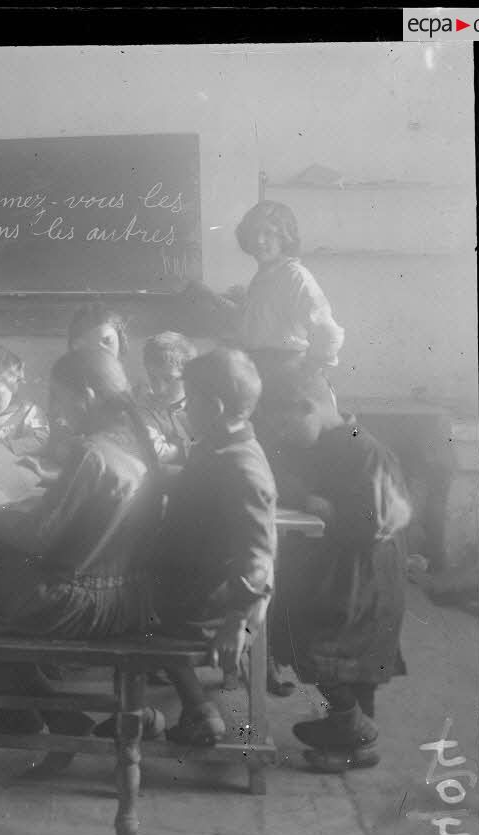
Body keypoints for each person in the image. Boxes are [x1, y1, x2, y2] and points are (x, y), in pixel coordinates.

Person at [0, 348, 163, 734]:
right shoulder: (136, 439)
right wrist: (48, 480)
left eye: (58, 398)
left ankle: (43, 713)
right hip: (130, 596)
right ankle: (53, 715)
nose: (56, 410)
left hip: (79, 601)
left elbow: (36, 538)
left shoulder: (91, 452)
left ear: (86, 396)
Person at [256, 367, 410, 771]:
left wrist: (325, 508)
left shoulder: (366, 450)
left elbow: (378, 520)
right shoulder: (321, 444)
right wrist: (307, 496)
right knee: (339, 655)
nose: (283, 434)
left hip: (363, 577)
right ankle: (352, 741)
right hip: (340, 570)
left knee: (324, 647)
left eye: (286, 423)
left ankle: (354, 728)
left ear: (310, 408)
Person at [152, 348, 278, 746]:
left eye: (190, 399)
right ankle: (193, 707)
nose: (185, 407)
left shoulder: (243, 467)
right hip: (194, 583)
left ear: (215, 406)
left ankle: (194, 710)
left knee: (121, 605)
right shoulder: (219, 447)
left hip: (205, 598)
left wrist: (237, 620)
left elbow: (258, 555)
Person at [186, 201, 344, 396]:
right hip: (262, 374)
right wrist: (212, 297)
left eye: (268, 233)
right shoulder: (264, 277)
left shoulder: (295, 276)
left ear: (284, 237)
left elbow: (329, 334)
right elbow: (254, 326)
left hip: (286, 378)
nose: (259, 240)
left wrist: (307, 375)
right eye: (254, 233)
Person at [136, 331, 199, 465]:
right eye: (153, 378)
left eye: (168, 379)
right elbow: (157, 453)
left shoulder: (205, 403)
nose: (159, 389)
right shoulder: (145, 407)